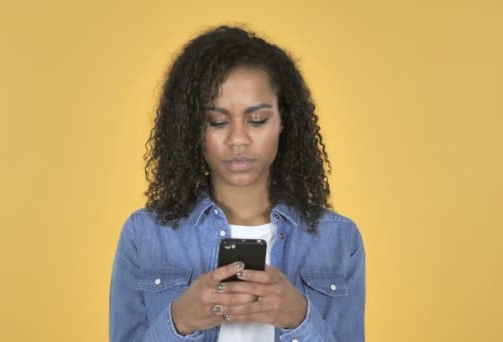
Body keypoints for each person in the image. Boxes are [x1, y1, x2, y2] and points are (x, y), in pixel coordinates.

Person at [109, 25, 366, 342]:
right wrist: (179, 322)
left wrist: (300, 319)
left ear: (284, 121)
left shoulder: (339, 239)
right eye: (217, 121)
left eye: (257, 120)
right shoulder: (144, 234)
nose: (238, 140)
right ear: (193, 127)